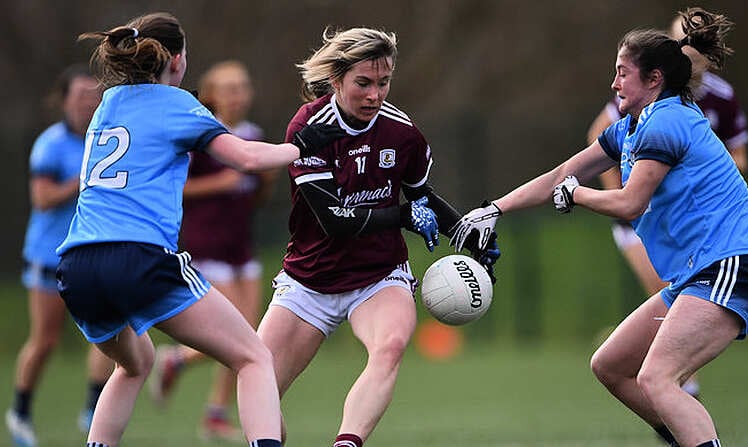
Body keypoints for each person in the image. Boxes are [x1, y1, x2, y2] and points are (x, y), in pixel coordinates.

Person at [452, 8, 748, 447]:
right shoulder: (633, 126)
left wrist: (577, 195)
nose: (614, 83)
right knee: (612, 365)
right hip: (697, 273)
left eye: (623, 73)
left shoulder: (668, 121)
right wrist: (493, 210)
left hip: (729, 266)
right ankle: (686, 438)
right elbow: (563, 172)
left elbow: (630, 200)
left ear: (654, 78)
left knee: (658, 377)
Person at [55, 12, 343, 447]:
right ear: (177, 59)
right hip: (139, 257)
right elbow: (245, 158)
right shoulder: (176, 103)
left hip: (76, 266)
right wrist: (302, 144)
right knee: (253, 359)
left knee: (133, 364)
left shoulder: (108, 103)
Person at [255, 27, 500, 447]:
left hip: (378, 276)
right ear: (336, 80)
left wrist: (466, 233)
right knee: (257, 385)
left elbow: (424, 197)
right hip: (308, 281)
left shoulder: (401, 133)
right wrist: (402, 214)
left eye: (383, 82)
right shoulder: (309, 129)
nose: (375, 95)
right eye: (363, 83)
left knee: (389, 348)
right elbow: (336, 219)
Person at [584, 12, 748, 403]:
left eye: (693, 44)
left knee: (678, 301)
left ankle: (675, 387)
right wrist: (621, 197)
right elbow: (598, 139)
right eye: (679, 41)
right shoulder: (644, 94)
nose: (686, 51)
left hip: (696, 229)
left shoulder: (718, 100)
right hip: (640, 214)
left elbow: (740, 157)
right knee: (666, 294)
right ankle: (679, 388)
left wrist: (703, 162)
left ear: (707, 55)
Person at [148, 60, 278, 440]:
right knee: (236, 333)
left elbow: (253, 193)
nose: (238, 95)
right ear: (212, 94)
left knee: (250, 335)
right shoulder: (201, 134)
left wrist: (263, 180)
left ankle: (213, 408)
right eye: (230, 88)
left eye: (243, 87)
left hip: (241, 244)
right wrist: (221, 182)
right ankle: (177, 359)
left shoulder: (252, 134)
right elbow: (177, 188)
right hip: (206, 243)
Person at [5, 65, 115, 447]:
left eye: (94, 95)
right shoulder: (51, 144)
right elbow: (42, 198)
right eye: (81, 95)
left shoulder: (107, 138)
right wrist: (85, 178)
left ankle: (93, 407)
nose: (88, 103)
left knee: (110, 331)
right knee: (46, 340)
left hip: (94, 254)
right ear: (64, 100)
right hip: (49, 257)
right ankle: (19, 410)